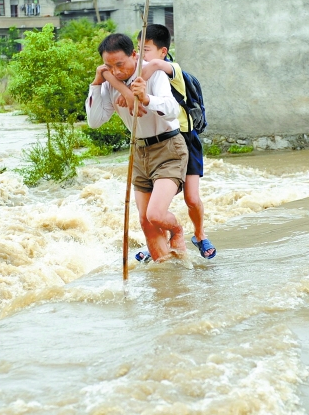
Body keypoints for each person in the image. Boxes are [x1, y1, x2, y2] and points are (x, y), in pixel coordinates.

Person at [104, 25, 216, 260]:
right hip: (152, 146)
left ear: (163, 51)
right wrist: (124, 89)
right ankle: (159, 248)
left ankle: (199, 234)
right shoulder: (137, 72)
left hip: (182, 138)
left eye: (145, 50)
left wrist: (133, 88)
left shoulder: (167, 69)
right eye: (138, 49)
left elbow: (153, 66)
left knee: (191, 198)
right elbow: (105, 72)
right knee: (150, 215)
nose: (141, 55)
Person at [86, 33, 188, 262]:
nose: (116, 71)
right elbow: (94, 121)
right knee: (145, 221)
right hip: (140, 151)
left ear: (134, 54)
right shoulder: (110, 82)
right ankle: (168, 272)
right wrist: (96, 83)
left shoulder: (153, 74)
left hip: (168, 148)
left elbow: (172, 109)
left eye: (120, 64)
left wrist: (147, 98)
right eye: (109, 66)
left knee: (155, 214)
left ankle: (178, 230)